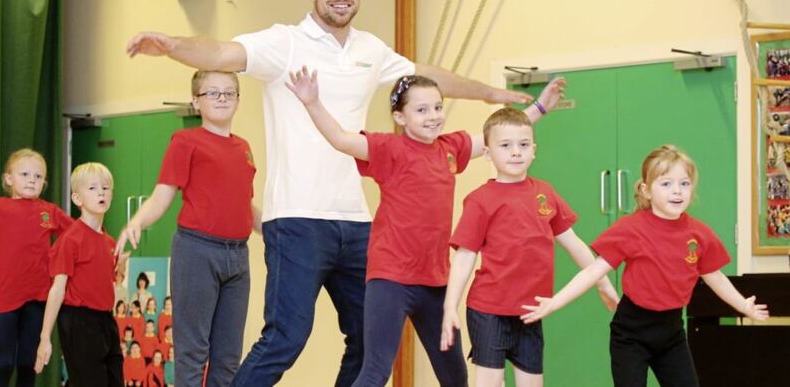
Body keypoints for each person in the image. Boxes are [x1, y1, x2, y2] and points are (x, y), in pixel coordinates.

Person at [125, 0, 564, 386]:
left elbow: (425, 75)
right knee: (286, 338)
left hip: (355, 223)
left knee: (368, 339)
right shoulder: (285, 42)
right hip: (297, 218)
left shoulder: (369, 50)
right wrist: (172, 47)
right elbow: (222, 53)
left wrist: (487, 94)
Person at [286, 70, 564, 386]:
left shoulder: (449, 148)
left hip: (434, 282)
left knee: (455, 375)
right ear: (399, 117)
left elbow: (499, 136)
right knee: (376, 369)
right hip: (391, 279)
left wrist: (540, 108)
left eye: (437, 107)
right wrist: (312, 103)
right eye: (421, 110)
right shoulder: (389, 149)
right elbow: (341, 139)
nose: (433, 116)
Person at [521, 145, 770, 386]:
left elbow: (715, 277)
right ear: (646, 190)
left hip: (672, 333)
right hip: (631, 333)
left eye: (684, 184)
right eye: (666, 183)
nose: (677, 192)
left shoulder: (699, 234)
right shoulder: (631, 229)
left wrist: (742, 304)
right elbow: (592, 272)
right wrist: (555, 302)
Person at [439, 108, 618, 387]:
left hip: (532, 311)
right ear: (487, 153)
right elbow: (465, 257)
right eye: (505, 145)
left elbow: (574, 243)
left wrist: (603, 283)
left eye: (523, 145)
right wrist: (450, 306)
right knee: (490, 382)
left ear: (534, 150)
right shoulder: (480, 200)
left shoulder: (544, 193)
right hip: (489, 310)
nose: (515, 152)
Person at [117, 70, 261, 387]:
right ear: (196, 101)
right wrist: (137, 221)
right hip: (197, 251)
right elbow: (162, 194)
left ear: (238, 99)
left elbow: (244, 206)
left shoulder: (244, 148)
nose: (222, 98)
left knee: (228, 358)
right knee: (193, 353)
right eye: (213, 93)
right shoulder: (185, 141)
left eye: (229, 92)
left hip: (238, 256)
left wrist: (277, 230)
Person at [34, 162, 123, 386]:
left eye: (105, 187)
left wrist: (120, 269)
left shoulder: (109, 241)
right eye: (92, 188)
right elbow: (57, 289)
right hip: (79, 321)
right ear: (77, 199)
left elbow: (107, 283)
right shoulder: (71, 239)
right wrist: (45, 337)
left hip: (106, 320)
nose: (101, 192)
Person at [0, 149, 72, 387]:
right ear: (9, 179)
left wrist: (109, 249)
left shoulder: (49, 211)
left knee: (28, 364)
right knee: (4, 363)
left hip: (37, 299)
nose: (31, 180)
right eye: (25, 174)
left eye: (38, 177)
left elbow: (78, 236)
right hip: (4, 299)